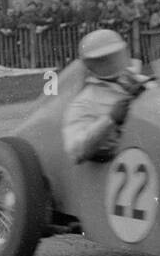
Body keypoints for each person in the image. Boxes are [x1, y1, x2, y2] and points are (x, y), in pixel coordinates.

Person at [62, 29, 147, 164]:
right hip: (120, 163)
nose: (110, 63)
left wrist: (146, 94)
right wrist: (110, 120)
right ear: (90, 64)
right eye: (102, 60)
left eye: (113, 56)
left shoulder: (142, 82)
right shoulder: (85, 101)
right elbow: (75, 151)